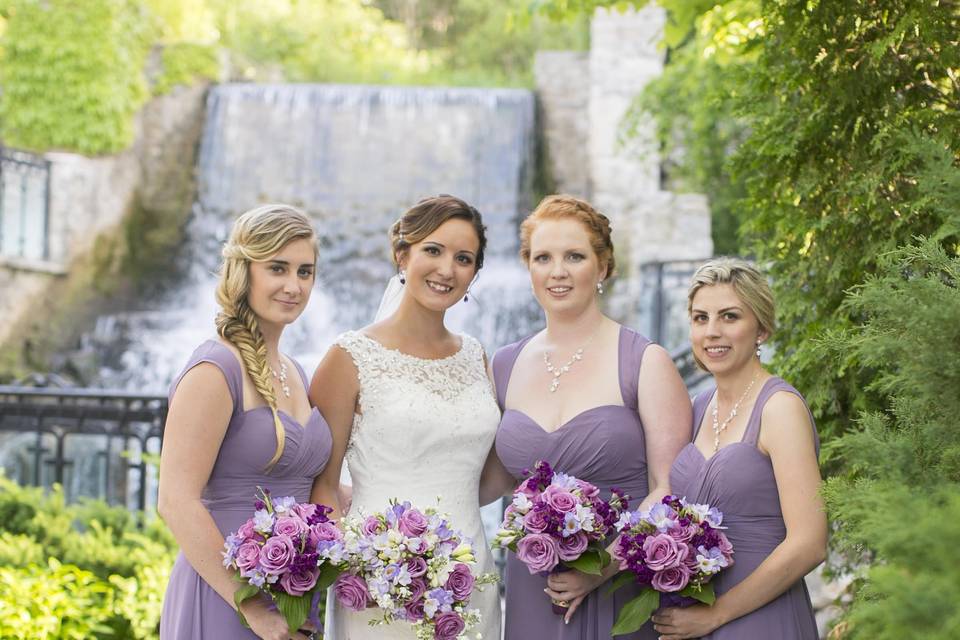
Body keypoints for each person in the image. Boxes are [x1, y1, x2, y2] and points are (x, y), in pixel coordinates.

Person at [483, 194, 692, 639]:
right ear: (529, 269)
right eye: (543, 258)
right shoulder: (504, 363)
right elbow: (495, 479)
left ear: (602, 267)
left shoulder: (644, 361)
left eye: (574, 256)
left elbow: (669, 490)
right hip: (533, 590)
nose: (557, 271)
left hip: (620, 586)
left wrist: (602, 568)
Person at [310, 194, 501, 639]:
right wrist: (361, 564)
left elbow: (486, 475)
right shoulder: (349, 356)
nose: (447, 269)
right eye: (432, 250)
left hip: (470, 576)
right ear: (402, 255)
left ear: (474, 273)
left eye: (464, 258)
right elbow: (321, 485)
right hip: (378, 584)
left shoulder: (477, 357)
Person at [158, 204, 332, 640]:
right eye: (278, 268)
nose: (294, 286)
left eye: (305, 271)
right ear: (244, 272)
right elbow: (176, 501)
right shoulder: (215, 369)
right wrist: (253, 607)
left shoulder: (294, 369)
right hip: (225, 599)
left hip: (293, 600)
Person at [651, 257, 826, 640]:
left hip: (760, 619)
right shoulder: (698, 407)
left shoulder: (779, 409)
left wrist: (717, 615)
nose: (712, 332)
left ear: (760, 328)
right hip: (691, 619)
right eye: (701, 318)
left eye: (729, 317)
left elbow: (810, 543)